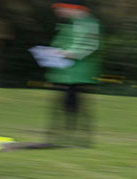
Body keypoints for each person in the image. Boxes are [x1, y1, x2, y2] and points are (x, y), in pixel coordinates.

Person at [46, 1, 100, 146]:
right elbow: (60, 42)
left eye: (61, 8)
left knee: (73, 104)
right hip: (64, 71)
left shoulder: (87, 23)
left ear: (72, 8)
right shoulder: (69, 24)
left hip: (78, 72)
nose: (58, 11)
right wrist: (53, 52)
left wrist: (70, 53)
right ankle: (64, 135)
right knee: (63, 103)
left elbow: (90, 45)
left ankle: (79, 137)